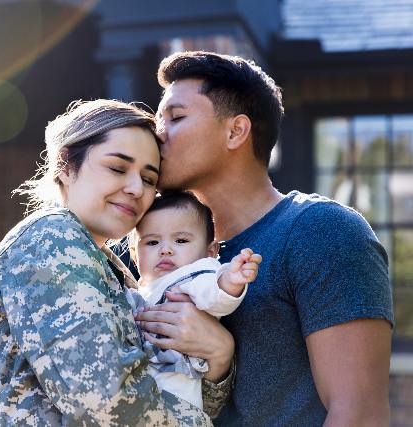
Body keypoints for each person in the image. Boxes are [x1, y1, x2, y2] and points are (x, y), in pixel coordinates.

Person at [135, 51, 393, 426]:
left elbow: (360, 413)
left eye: (175, 117)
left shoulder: (321, 232)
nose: (157, 134)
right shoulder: (150, 250)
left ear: (236, 131)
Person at [0, 99, 233, 426]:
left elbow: (168, 393)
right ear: (65, 166)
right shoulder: (52, 241)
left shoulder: (107, 266)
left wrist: (219, 357)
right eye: (118, 168)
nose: (137, 189)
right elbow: (109, 407)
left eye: (149, 179)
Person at [125, 190, 261, 409]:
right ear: (134, 253)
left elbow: (213, 296)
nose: (166, 250)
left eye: (180, 240)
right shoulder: (142, 289)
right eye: (152, 243)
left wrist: (230, 280)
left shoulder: (193, 275)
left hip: (176, 393)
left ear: (210, 252)